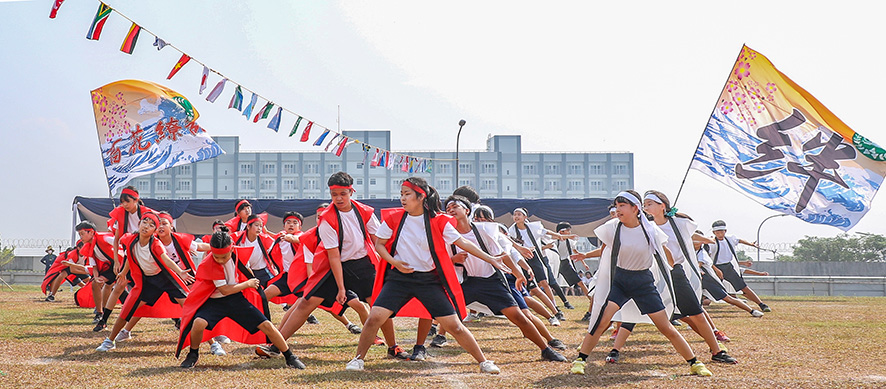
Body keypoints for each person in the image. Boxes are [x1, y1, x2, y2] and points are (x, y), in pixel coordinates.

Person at [346, 177, 501, 374]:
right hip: (399, 279)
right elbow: (379, 245)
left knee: (455, 326)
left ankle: (483, 361)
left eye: (407, 194)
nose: (402, 198)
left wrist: (491, 259)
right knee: (374, 318)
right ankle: (358, 359)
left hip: (429, 281)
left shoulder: (438, 221)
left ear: (421, 197)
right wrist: (394, 263)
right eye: (401, 194)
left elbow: (463, 243)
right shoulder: (394, 218)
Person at [257, 172, 401, 361]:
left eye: (343, 193)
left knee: (380, 305)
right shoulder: (327, 218)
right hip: (334, 267)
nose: (339, 198)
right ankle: (277, 346)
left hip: (362, 265)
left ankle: (393, 347)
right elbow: (333, 255)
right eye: (334, 195)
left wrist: (387, 265)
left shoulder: (365, 211)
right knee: (306, 302)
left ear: (351, 192)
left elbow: (377, 241)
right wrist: (341, 288)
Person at [570, 190, 712, 377]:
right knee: (602, 320)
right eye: (616, 206)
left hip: (643, 283)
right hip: (620, 282)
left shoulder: (651, 230)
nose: (617, 210)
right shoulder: (613, 228)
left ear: (635, 209)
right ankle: (580, 359)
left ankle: (695, 362)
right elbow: (605, 250)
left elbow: (664, 252)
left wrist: (671, 265)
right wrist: (587, 258)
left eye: (622, 206)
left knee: (665, 326)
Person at [611, 190, 735, 364]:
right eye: (644, 204)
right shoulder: (644, 225)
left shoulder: (678, 222)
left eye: (649, 203)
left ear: (662, 206)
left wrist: (706, 239)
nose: (645, 207)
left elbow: (691, 232)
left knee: (696, 314)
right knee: (633, 312)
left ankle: (716, 351)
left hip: (675, 273)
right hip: (653, 274)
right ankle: (615, 350)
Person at [441, 195, 566, 362]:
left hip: (490, 281)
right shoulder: (447, 234)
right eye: (447, 208)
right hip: (465, 282)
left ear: (467, 210)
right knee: (443, 311)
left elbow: (502, 254)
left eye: (454, 206)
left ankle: (545, 348)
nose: (450, 210)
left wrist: (518, 273)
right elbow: (438, 260)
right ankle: (433, 339)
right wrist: (453, 260)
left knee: (519, 316)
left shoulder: (483, 230)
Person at [176, 227, 305, 369]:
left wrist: (251, 278)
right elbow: (224, 290)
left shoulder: (238, 252)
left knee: (267, 325)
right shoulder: (208, 264)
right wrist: (247, 284)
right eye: (216, 256)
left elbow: (244, 267)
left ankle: (290, 356)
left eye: (224, 256)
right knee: (198, 323)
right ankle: (193, 354)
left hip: (236, 300)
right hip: (215, 302)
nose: (220, 260)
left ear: (231, 249)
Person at [96, 212, 195, 352]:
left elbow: (166, 260)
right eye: (145, 222)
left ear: (154, 231)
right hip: (148, 281)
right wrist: (123, 273)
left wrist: (180, 272)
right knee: (128, 309)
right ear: (139, 223)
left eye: (151, 225)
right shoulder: (131, 240)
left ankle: (213, 343)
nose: (146, 226)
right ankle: (110, 341)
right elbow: (130, 258)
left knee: (189, 307)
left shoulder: (156, 244)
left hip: (165, 278)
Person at [509, 208, 574, 325]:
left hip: (534, 257)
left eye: (519, 214)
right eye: (514, 214)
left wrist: (561, 236)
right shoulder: (511, 230)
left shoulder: (533, 227)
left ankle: (555, 308)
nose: (516, 216)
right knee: (531, 288)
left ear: (525, 217)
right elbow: (510, 244)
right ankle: (547, 311)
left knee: (544, 283)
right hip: (521, 258)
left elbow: (546, 232)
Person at [694, 235, 764, 320]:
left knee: (728, 298)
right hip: (695, 278)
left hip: (707, 280)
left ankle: (752, 310)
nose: (692, 242)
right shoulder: (689, 251)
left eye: (695, 240)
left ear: (702, 242)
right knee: (694, 300)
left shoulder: (702, 253)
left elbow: (700, 264)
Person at [709, 220, 771, 313]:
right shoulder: (711, 243)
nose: (720, 234)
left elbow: (739, 240)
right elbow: (707, 259)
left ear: (725, 231)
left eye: (721, 232)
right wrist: (716, 269)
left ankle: (761, 304)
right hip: (713, 268)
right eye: (717, 232)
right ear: (714, 232)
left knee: (743, 287)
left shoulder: (730, 239)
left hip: (728, 267)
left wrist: (751, 244)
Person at [555, 222, 594, 320]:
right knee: (545, 284)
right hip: (555, 262)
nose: (569, 232)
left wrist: (584, 264)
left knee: (580, 282)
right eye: (568, 231)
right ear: (562, 231)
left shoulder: (570, 242)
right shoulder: (555, 241)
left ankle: (591, 300)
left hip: (565, 264)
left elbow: (577, 253)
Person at [232, 214, 279, 287]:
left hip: (262, 271)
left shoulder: (265, 239)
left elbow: (276, 252)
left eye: (261, 226)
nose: (259, 228)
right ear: (248, 226)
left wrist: (275, 268)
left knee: (272, 290)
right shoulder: (237, 237)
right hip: (245, 272)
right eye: (256, 225)